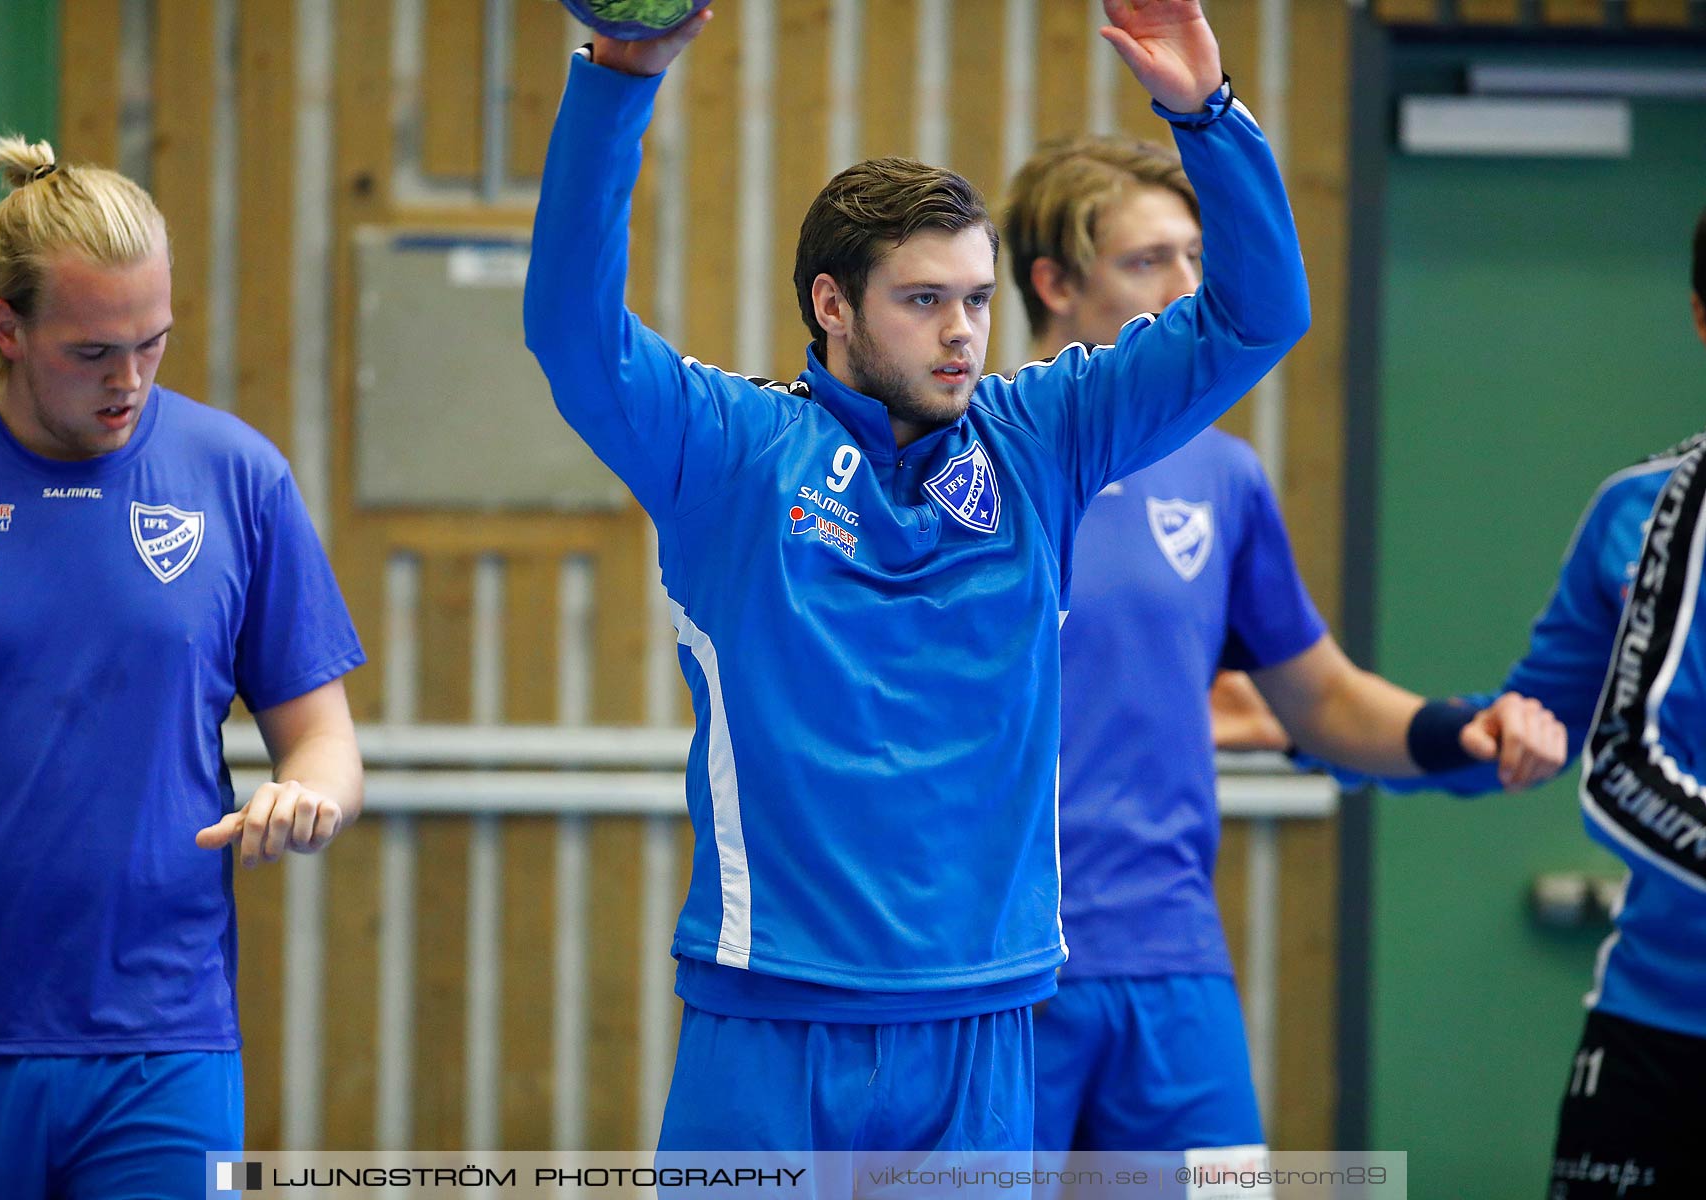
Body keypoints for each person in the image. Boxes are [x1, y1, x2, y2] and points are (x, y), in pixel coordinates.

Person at [526, 0, 1312, 1160]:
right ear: (832, 306)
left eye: (979, 301)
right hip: (771, 1015)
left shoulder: (1044, 439)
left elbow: (1261, 317)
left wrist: (1210, 114)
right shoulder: (730, 455)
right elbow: (572, 333)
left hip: (985, 1021)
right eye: (924, 300)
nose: (962, 334)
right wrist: (619, 82)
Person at [999, 134, 1568, 1165]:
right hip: (994, 968)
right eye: (1147, 261)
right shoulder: (963, 469)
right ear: (1053, 284)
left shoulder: (1222, 477)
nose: (1187, 288)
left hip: (1174, 970)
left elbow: (1324, 702)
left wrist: (1462, 731)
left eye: (1194, 258)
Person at [0, 136, 365, 1196]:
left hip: (164, 1037)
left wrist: (307, 796)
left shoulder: (235, 476)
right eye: (92, 353)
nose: (130, 382)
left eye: (153, 344)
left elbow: (324, 739)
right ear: (6, 330)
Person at [1356, 208, 1706, 1199]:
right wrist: (1338, 733)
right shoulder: (1641, 512)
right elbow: (1533, 726)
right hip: (1659, 1028)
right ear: (1699, 319)